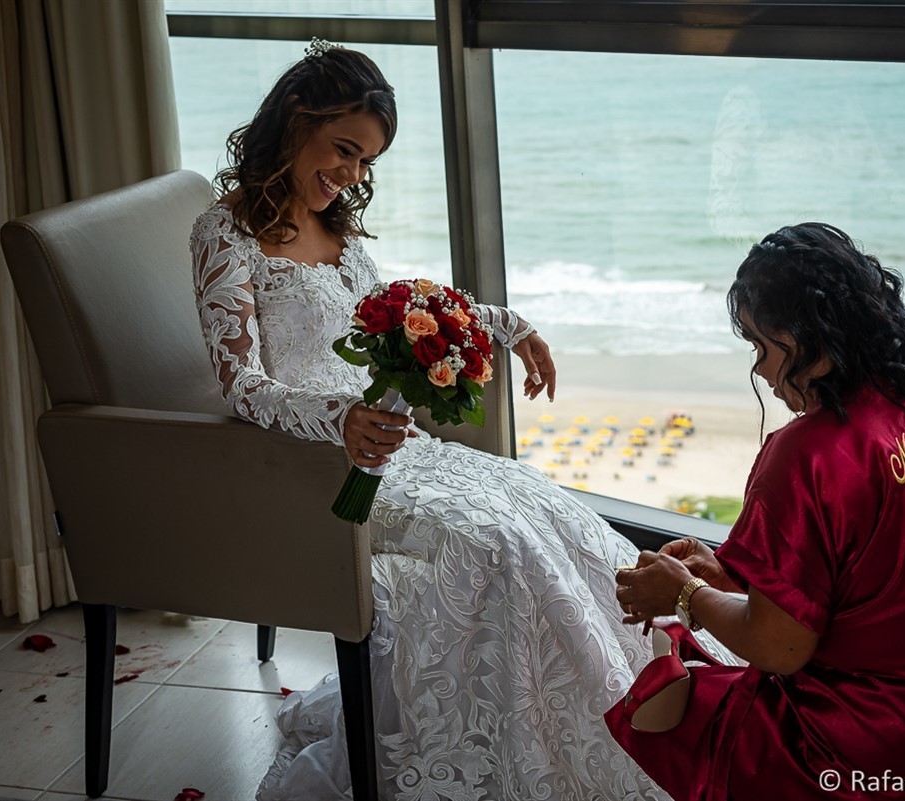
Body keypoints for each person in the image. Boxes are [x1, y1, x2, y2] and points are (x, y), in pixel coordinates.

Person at [189, 40, 694, 801]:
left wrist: (504, 322)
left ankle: (632, 702)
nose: (353, 176)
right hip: (313, 467)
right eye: (345, 151)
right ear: (297, 118)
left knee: (543, 507)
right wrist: (341, 418)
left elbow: (403, 312)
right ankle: (517, 755)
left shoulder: (339, 229)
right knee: (494, 545)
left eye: (366, 163)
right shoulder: (223, 233)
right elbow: (242, 385)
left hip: (396, 449)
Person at [609, 223, 905, 800]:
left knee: (683, 721)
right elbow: (895, 565)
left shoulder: (805, 453)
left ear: (810, 336)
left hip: (881, 745)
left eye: (763, 346)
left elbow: (781, 650)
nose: (760, 370)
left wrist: (685, 597)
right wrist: (732, 573)